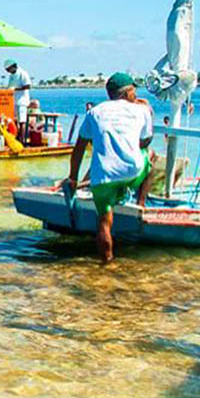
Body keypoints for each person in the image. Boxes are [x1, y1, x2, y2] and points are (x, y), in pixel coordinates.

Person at [64, 72, 154, 263]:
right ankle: (141, 204)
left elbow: (78, 149)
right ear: (127, 92)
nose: (135, 94)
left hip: (102, 178)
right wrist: (148, 111)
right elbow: (145, 142)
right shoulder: (142, 110)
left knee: (104, 223)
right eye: (134, 91)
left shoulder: (95, 112)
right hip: (132, 172)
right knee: (149, 157)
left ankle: (107, 261)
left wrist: (73, 179)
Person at [3, 59, 32, 126]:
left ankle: (22, 136)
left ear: (13, 67)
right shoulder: (11, 76)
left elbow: (28, 86)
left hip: (22, 101)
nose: (8, 71)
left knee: (22, 121)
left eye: (8, 69)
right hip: (13, 101)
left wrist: (16, 89)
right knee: (14, 121)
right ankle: (16, 135)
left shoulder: (23, 73)